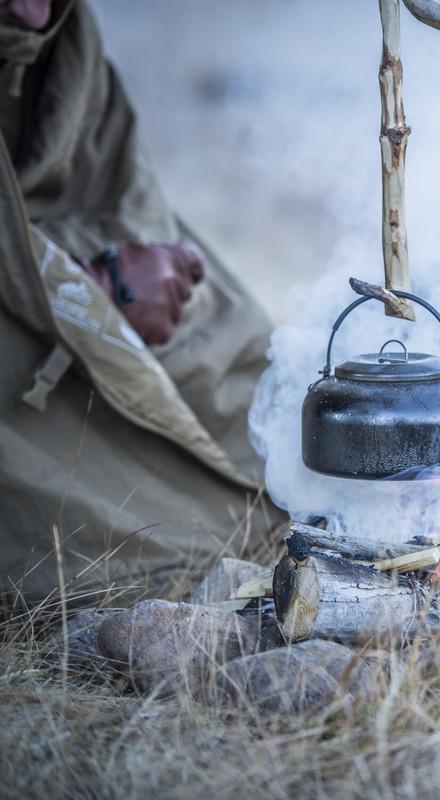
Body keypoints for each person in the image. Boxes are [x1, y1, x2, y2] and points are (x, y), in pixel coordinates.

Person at [0, 0, 283, 600]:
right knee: (150, 540)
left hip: (81, 290)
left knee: (257, 366)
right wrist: (85, 287)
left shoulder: (65, 42)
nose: (31, 11)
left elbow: (121, 196)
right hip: (21, 350)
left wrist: (129, 269)